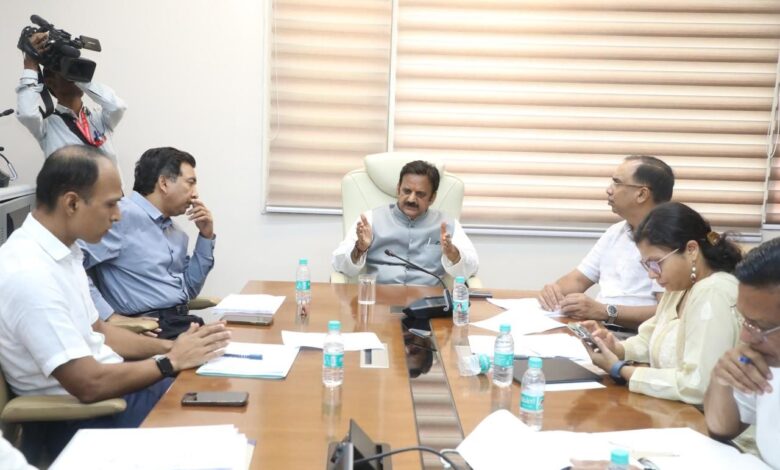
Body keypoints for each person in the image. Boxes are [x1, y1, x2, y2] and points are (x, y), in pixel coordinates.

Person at [0, 146, 229, 461]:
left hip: (117, 393)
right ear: (72, 203)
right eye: (111, 204)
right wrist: (170, 361)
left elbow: (101, 331)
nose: (119, 215)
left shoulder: (65, 256)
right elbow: (87, 383)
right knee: (221, 430)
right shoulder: (30, 274)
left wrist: (176, 348)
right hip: (89, 418)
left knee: (222, 398)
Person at [580, 202, 743, 404]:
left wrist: (621, 370)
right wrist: (615, 348)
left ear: (691, 250)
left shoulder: (714, 292)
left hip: (703, 417)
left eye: (656, 263)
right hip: (673, 409)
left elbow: (697, 385)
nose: (651, 274)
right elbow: (650, 339)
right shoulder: (681, 286)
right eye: (646, 265)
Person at [80, 147, 216, 339]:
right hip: (150, 330)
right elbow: (72, 264)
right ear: (164, 183)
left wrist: (206, 236)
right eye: (190, 183)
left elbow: (189, 290)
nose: (195, 194)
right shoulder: (120, 216)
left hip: (181, 322)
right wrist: (107, 316)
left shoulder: (176, 232)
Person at [538, 155, 675, 329]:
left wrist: (606, 311)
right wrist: (553, 292)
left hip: (635, 336)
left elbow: (666, 313)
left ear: (641, 194)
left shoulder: (670, 240)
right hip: (599, 328)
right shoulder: (616, 231)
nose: (609, 190)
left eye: (617, 183)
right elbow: (579, 279)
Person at [332, 160, 478, 285]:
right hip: (380, 300)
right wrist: (360, 249)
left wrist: (453, 254)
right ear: (398, 189)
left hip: (429, 303)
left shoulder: (448, 225)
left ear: (432, 198)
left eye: (420, 194)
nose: (411, 199)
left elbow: (472, 268)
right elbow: (340, 266)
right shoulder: (369, 220)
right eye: (407, 191)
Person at [704, 238, 780, 468]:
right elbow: (723, 428)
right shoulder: (766, 362)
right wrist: (722, 380)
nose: (746, 337)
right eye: (745, 321)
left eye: (760, 326)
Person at [16, 32, 126, 163]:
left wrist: (83, 80)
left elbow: (118, 106)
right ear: (50, 82)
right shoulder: (47, 126)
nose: (75, 76)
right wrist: (30, 64)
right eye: (68, 71)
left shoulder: (100, 118)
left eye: (76, 70)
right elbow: (27, 114)